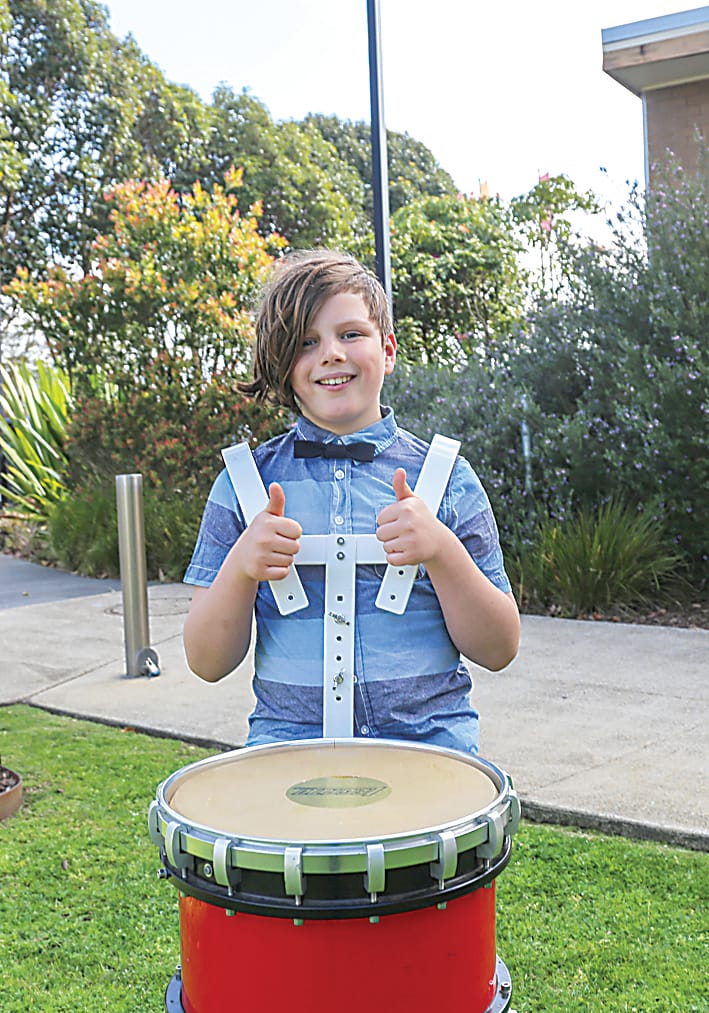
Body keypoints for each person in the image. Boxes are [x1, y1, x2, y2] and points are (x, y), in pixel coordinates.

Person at [183, 250, 519, 754]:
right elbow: (207, 662)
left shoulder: (447, 480)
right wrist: (241, 567)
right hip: (289, 753)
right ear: (283, 364)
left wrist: (442, 551)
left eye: (351, 334)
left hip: (431, 751)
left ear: (388, 350)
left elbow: (498, 649)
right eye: (306, 342)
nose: (332, 354)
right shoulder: (243, 484)